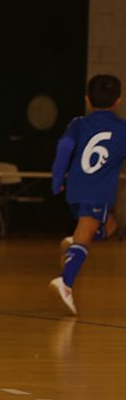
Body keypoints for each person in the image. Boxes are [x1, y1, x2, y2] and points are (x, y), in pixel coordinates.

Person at [50, 73, 126, 314]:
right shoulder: (122, 129)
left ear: (87, 99)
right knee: (87, 232)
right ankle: (66, 282)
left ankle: (75, 245)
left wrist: (57, 178)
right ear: (119, 101)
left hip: (75, 189)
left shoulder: (78, 123)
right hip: (97, 191)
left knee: (111, 225)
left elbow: (64, 147)